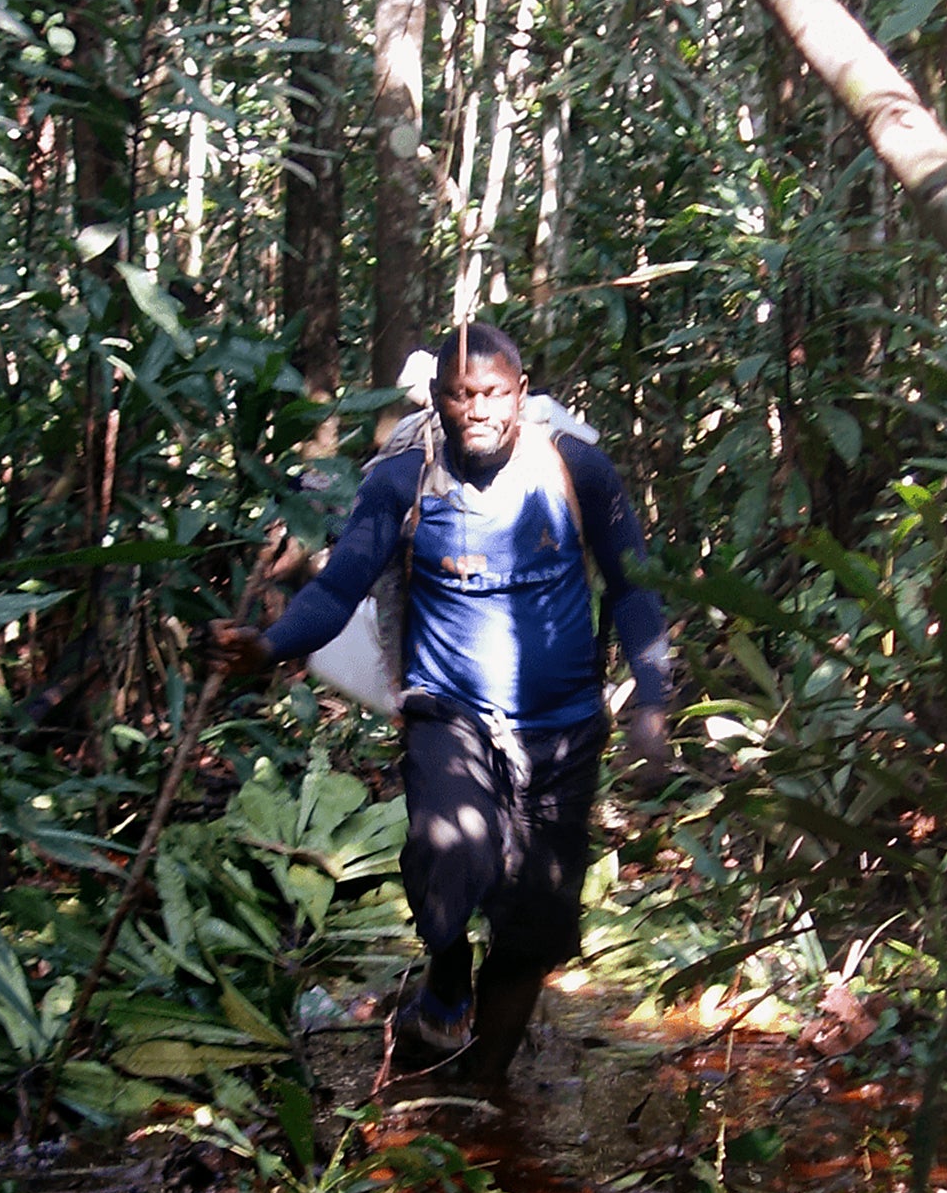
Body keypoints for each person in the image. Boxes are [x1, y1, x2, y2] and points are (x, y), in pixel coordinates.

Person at [208, 321, 671, 1083]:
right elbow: (339, 586)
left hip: (563, 731)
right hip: (449, 711)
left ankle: (481, 1086)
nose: (478, 410)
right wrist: (267, 646)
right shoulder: (402, 479)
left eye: (492, 394)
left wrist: (651, 703)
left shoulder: (577, 469)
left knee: (535, 925)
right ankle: (448, 971)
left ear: (520, 395)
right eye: (461, 396)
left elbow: (634, 589)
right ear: (437, 400)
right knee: (448, 857)